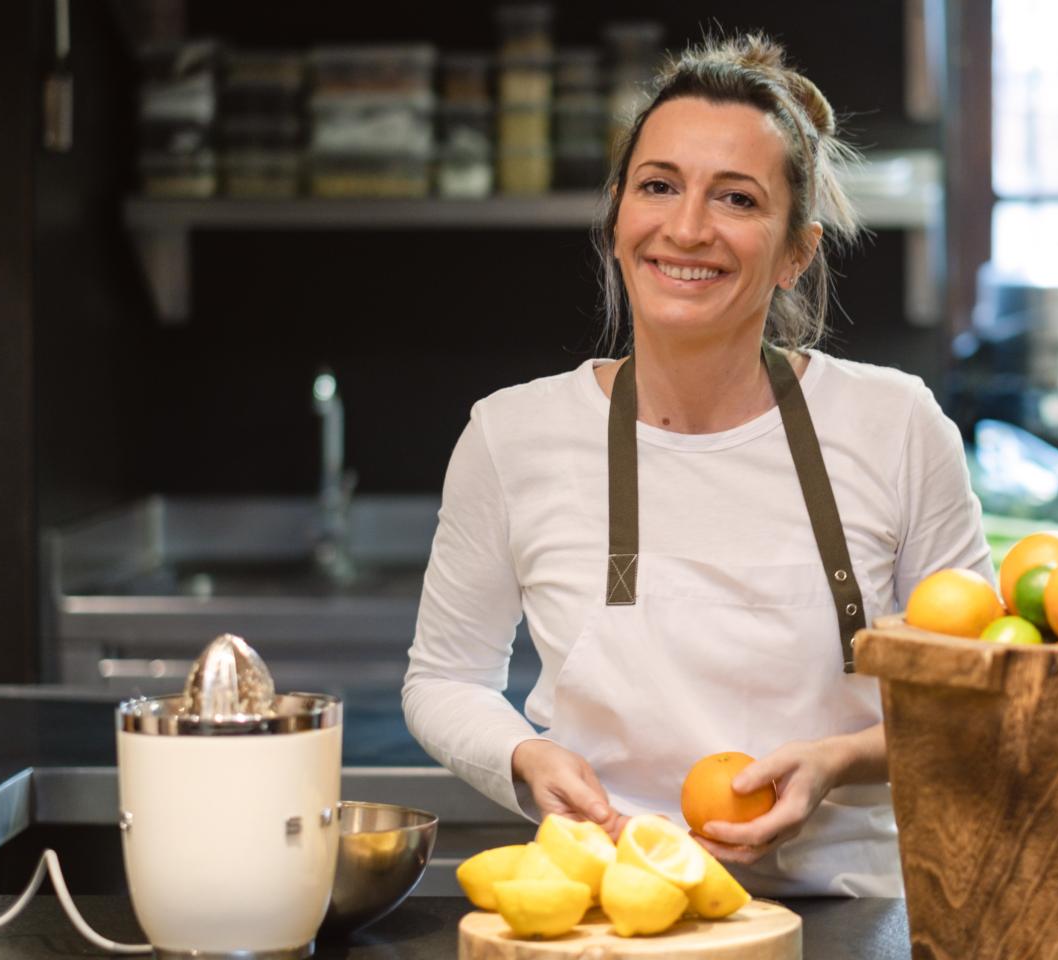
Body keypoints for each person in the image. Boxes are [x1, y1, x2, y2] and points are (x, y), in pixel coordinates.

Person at [402, 33, 991, 897]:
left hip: (854, 914)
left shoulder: (895, 425)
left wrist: (837, 761)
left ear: (797, 251)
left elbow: (973, 696)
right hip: (612, 908)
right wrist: (522, 756)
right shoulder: (511, 435)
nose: (686, 228)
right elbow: (445, 678)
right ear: (616, 219)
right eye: (658, 186)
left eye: (736, 199)